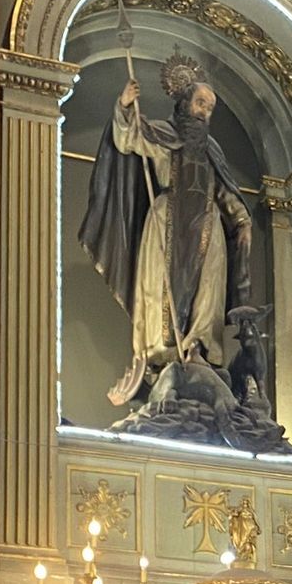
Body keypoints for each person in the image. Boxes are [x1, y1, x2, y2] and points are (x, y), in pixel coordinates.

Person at [79, 51, 252, 403]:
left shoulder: (211, 150)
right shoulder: (162, 133)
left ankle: (199, 348)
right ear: (185, 101)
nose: (205, 111)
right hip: (166, 218)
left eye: (210, 107)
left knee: (207, 290)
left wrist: (241, 220)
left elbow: (224, 192)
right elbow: (128, 139)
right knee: (160, 288)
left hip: (207, 223)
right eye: (201, 102)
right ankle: (162, 355)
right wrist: (126, 106)